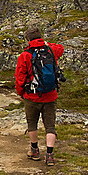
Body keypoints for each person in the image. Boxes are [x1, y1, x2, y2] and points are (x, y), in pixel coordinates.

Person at [15, 26, 64, 166]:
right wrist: (47, 44)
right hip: (50, 96)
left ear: (28, 39)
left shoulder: (25, 55)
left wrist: (21, 93)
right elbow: (60, 48)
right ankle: (50, 155)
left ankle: (35, 151)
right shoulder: (50, 50)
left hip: (32, 96)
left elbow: (20, 78)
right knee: (50, 126)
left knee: (32, 124)